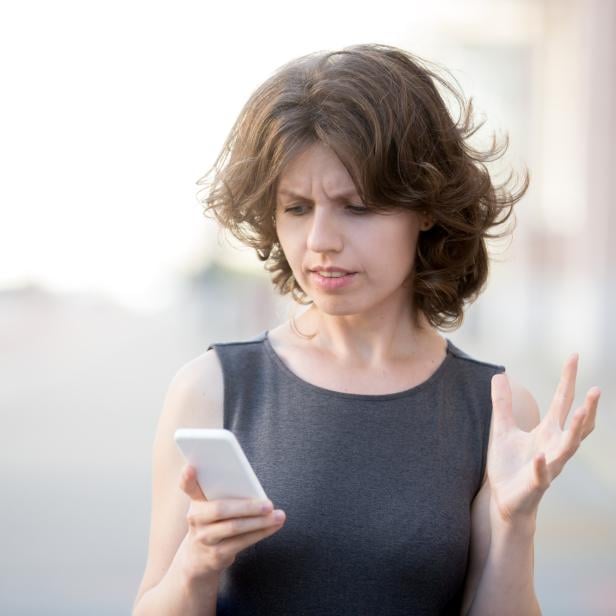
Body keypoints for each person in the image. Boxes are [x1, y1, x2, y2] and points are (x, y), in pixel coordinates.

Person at [132, 44, 601, 615]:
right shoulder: (211, 389)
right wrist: (196, 565)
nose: (320, 240)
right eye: (297, 208)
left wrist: (514, 521)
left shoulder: (497, 411)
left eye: (356, 206)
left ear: (425, 206)